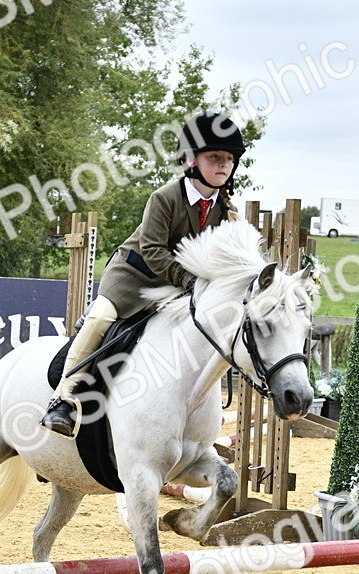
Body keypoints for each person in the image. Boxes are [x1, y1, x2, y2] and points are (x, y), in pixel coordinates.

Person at [40, 111, 245, 437]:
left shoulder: (226, 209)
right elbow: (152, 250)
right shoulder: (164, 197)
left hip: (176, 288)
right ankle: (63, 398)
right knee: (99, 318)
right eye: (214, 157)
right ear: (192, 159)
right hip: (134, 277)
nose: (223, 164)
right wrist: (190, 282)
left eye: (229, 159)